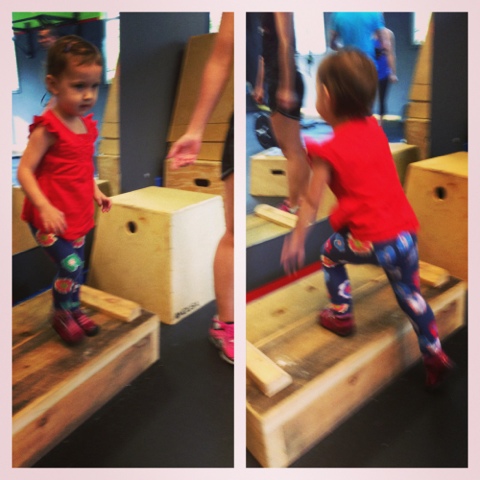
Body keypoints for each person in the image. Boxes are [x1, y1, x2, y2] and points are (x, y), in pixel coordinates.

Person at [281, 48, 454, 390]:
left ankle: (341, 314)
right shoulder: (375, 128)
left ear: (326, 96)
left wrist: (297, 238)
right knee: (410, 294)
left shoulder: (327, 151)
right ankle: (434, 351)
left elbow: (311, 202)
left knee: (329, 254)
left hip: (373, 240)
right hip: (405, 235)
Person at [17, 35, 112, 345]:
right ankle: (61, 312)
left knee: (79, 268)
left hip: (77, 214)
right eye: (78, 86)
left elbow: (82, 167)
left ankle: (74, 308)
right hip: (49, 220)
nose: (88, 95)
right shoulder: (48, 128)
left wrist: (95, 191)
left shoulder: (86, 125)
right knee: (70, 266)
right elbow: (24, 171)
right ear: (53, 84)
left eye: (94, 86)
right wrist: (43, 206)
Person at [167, 13, 234, 364]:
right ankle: (227, 324)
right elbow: (221, 57)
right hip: (244, 118)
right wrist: (195, 130)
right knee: (235, 232)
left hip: (277, 112)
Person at [251, 12, 310, 214]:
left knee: (292, 150)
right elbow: (264, 54)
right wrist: (260, 85)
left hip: (284, 81)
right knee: (291, 149)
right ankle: (302, 199)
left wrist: (287, 86)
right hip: (274, 80)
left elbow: (287, 42)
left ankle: (294, 204)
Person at [374, 28, 398, 123]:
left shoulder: (388, 34)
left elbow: (390, 54)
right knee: (366, 97)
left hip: (383, 71)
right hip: (369, 70)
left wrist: (392, 73)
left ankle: (380, 124)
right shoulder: (367, 32)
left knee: (382, 99)